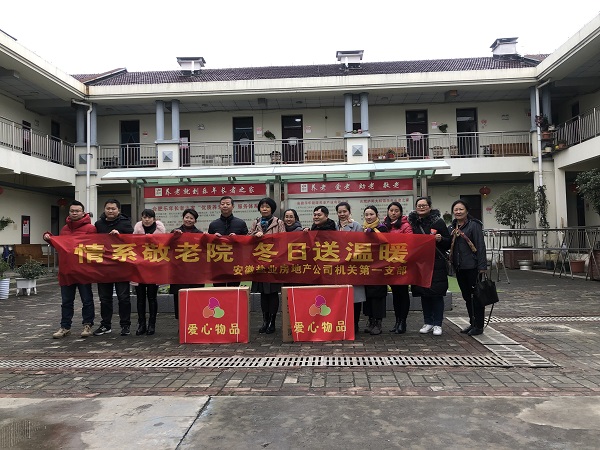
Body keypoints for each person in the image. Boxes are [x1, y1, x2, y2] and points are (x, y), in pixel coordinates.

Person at [43, 200, 97, 339]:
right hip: (66, 271)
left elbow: (95, 248)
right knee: (66, 301)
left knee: (87, 300)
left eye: (77, 211)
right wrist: (50, 239)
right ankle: (65, 327)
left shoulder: (90, 229)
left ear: (83, 213)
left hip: (83, 271)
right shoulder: (65, 229)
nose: (74, 213)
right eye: (72, 211)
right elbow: (61, 247)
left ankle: (87, 325)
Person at [408, 197, 451, 336]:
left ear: (430, 207)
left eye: (424, 205)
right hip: (420, 263)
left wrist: (441, 239)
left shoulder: (438, 222)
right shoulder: (412, 223)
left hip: (436, 262)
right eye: (419, 205)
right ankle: (428, 322)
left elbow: (448, 242)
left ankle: (438, 324)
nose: (421, 207)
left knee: (436, 294)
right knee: (424, 294)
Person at [93, 199, 134, 336]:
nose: (110, 211)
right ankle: (106, 325)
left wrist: (120, 236)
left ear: (119, 210)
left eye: (113, 208)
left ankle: (125, 325)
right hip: (104, 267)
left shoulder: (125, 223)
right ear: (104, 209)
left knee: (123, 298)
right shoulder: (98, 224)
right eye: (108, 208)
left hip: (121, 266)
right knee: (105, 298)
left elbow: (133, 241)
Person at [449, 199, 488, 336]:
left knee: (476, 297)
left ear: (467, 211)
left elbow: (480, 246)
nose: (458, 212)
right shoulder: (453, 227)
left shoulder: (474, 225)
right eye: (456, 209)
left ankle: (479, 326)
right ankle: (472, 323)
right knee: (467, 297)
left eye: (461, 209)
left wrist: (482, 266)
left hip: (473, 267)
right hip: (460, 267)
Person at [248, 197, 286, 334]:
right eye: (262, 206)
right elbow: (248, 238)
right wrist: (254, 235)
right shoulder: (256, 222)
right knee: (263, 293)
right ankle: (265, 321)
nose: (264, 209)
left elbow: (284, 239)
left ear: (272, 209)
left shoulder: (279, 222)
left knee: (273, 293)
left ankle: (272, 322)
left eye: (267, 206)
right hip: (259, 262)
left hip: (274, 263)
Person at [132, 209, 166, 336]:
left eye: (149, 217)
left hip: (153, 269)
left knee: (152, 298)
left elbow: (163, 246)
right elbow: (133, 246)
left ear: (154, 219)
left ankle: (152, 324)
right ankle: (141, 324)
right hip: (139, 269)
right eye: (144, 217)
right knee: (140, 298)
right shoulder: (137, 229)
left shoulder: (160, 230)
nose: (147, 220)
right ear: (141, 218)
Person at [383, 201, 413, 334]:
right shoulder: (385, 225)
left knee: (403, 293)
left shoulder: (406, 226)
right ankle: (397, 321)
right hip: (390, 265)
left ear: (400, 212)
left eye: (396, 211)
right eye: (391, 210)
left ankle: (403, 321)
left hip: (402, 264)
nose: (393, 213)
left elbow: (410, 242)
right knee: (395, 293)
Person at [336, 202, 365, 333]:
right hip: (338, 267)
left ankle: (354, 324)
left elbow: (361, 245)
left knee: (355, 296)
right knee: (340, 297)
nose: (342, 214)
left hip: (353, 266)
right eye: (340, 212)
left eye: (344, 211)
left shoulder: (356, 226)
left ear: (349, 212)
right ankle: (342, 323)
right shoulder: (334, 226)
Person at [170, 208, 204, 320]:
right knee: (180, 300)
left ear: (195, 221)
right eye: (187, 217)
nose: (188, 220)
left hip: (195, 273)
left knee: (195, 299)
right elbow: (168, 247)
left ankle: (195, 322)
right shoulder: (175, 232)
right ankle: (181, 324)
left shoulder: (199, 234)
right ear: (183, 218)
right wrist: (174, 237)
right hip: (179, 272)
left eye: (191, 218)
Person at [208, 196, 248, 287]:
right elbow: (209, 245)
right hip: (218, 262)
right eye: (222, 204)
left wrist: (237, 238)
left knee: (234, 289)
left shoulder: (241, 223)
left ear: (233, 206)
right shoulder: (213, 224)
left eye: (227, 204)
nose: (225, 206)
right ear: (219, 207)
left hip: (235, 262)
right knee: (219, 289)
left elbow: (246, 242)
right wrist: (213, 238)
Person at [361, 205, 388, 335]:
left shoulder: (382, 228)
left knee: (378, 295)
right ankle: (371, 321)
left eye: (371, 214)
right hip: (366, 266)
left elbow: (384, 242)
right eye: (366, 214)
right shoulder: (362, 229)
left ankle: (378, 322)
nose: (369, 217)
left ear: (377, 215)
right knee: (368, 295)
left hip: (379, 266)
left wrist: (372, 233)